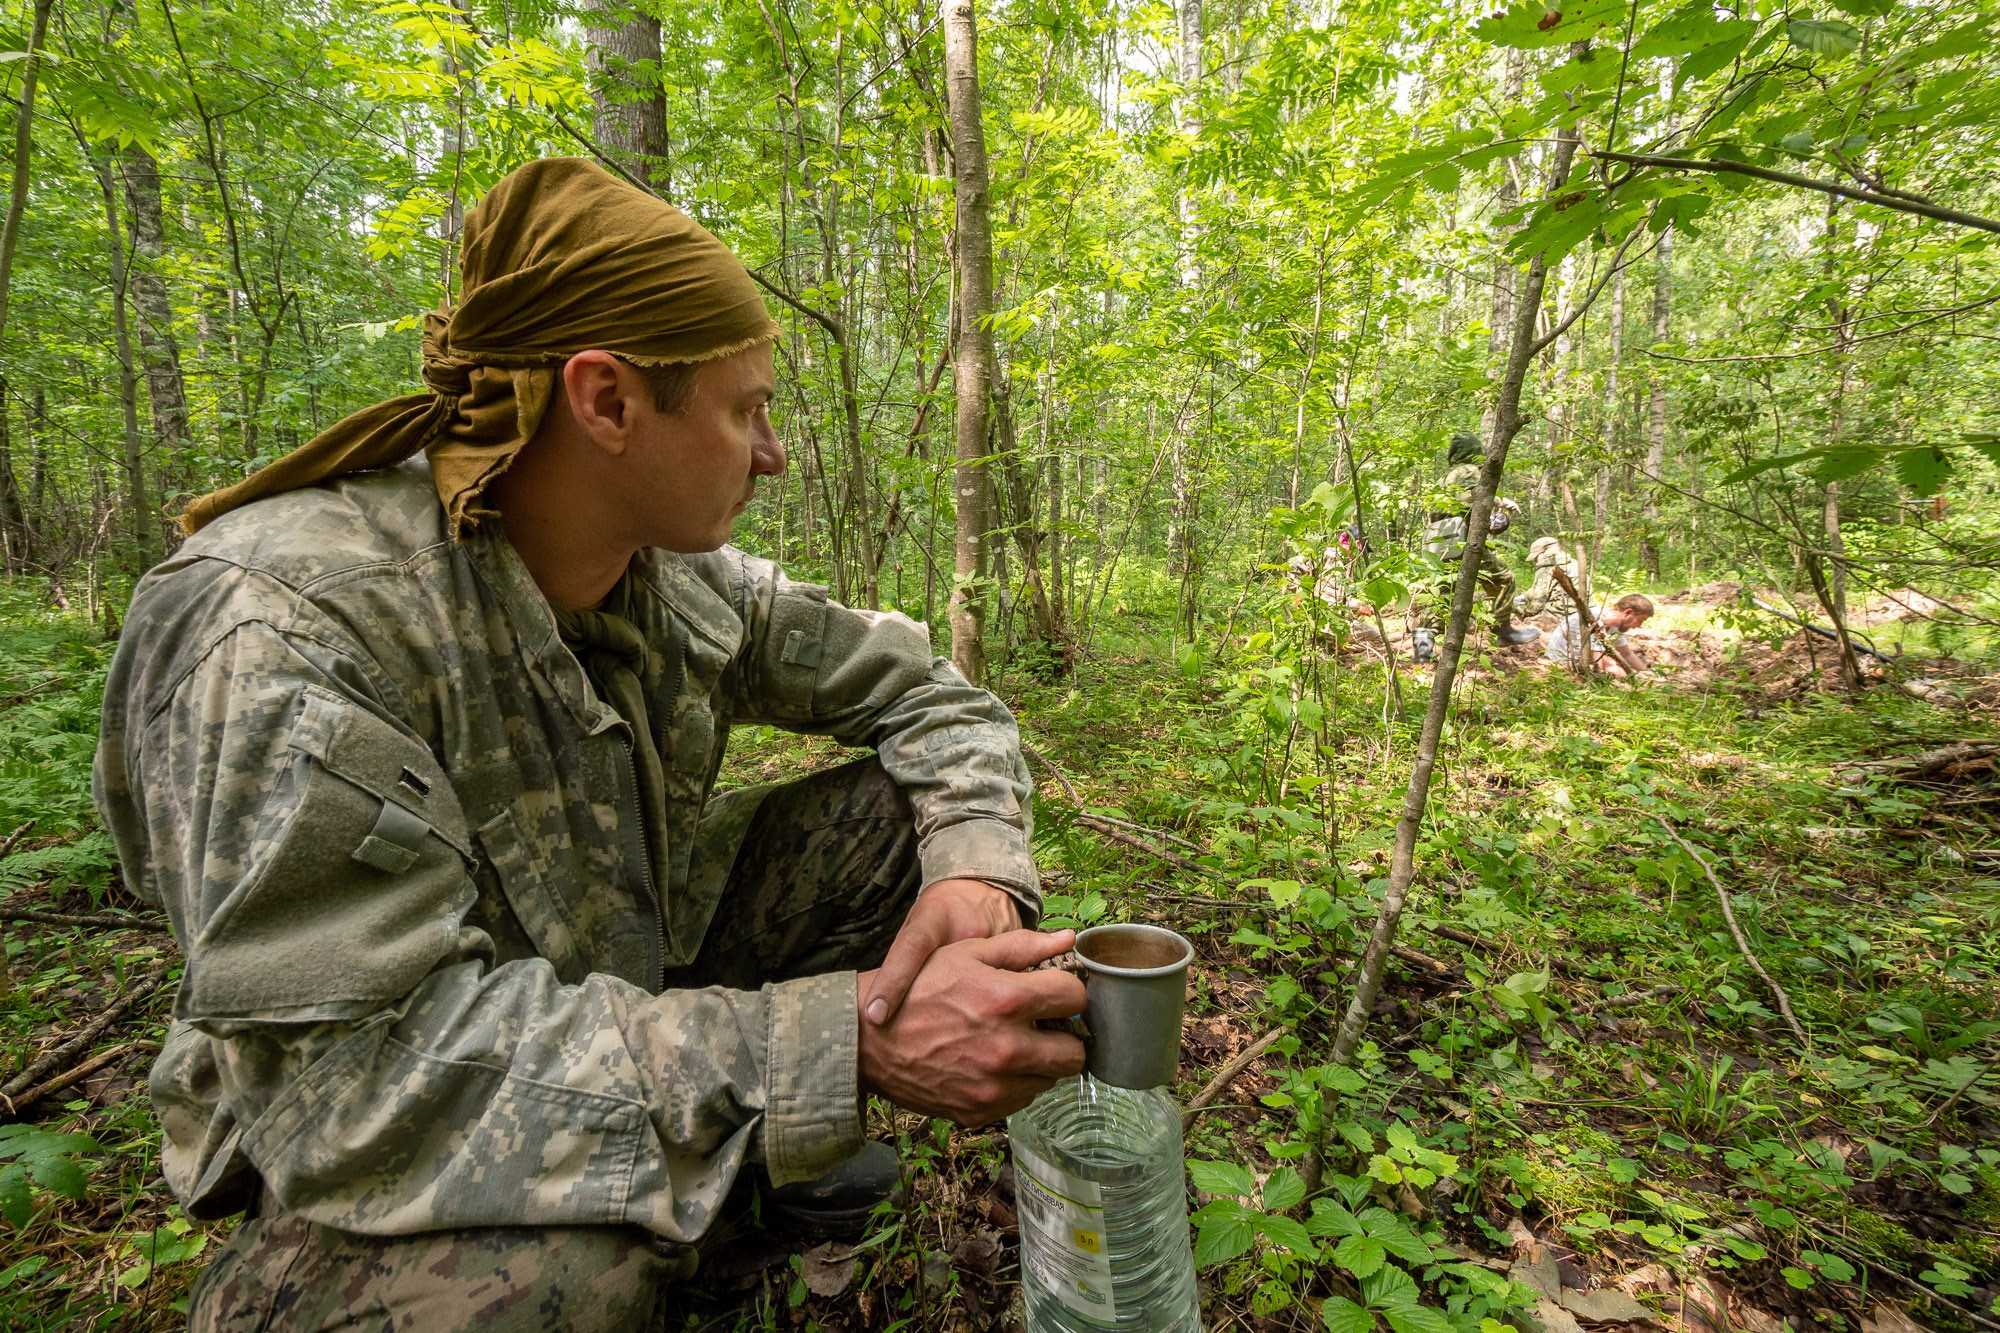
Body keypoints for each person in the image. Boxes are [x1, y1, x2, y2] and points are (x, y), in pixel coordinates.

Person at [92, 159, 1087, 1330]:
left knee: (892, 825)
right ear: (606, 401)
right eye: (743, 409)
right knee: (567, 1282)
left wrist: (972, 860)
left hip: (600, 980)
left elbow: (930, 694)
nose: (771, 454)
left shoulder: (670, 574)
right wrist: (839, 1051)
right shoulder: (289, 623)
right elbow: (354, 1084)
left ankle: (721, 1202)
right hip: (355, 1142)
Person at [1411, 432, 1539, 662]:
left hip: (1439, 542)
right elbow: (1470, 495)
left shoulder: (1446, 476)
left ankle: (1423, 651)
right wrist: (1501, 501)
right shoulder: (1467, 471)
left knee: (1441, 593)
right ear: (1474, 451)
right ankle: (1503, 631)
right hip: (1461, 540)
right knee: (1503, 578)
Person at [1545, 592, 1655, 677]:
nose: (1640, 625)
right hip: (1561, 666)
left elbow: (1627, 654)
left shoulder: (1615, 625)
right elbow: (1601, 660)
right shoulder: (1591, 619)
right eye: (1641, 620)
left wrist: (1646, 674)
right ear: (1628, 612)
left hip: (1585, 666)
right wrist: (1633, 679)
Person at [1515, 535, 1580, 618]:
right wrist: (1526, 596)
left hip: (1560, 614)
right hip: (1582, 611)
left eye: (1536, 556)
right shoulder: (1574, 563)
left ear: (1545, 553)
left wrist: (1517, 609)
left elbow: (1536, 606)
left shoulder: (1546, 569)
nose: (1535, 560)